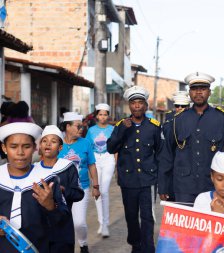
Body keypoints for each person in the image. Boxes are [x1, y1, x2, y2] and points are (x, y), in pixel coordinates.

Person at [158, 71, 224, 204]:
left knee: (209, 224)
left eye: (203, 89)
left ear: (209, 92)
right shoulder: (178, 119)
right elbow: (166, 154)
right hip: (183, 186)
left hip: (212, 186)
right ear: (189, 93)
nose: (198, 92)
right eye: (194, 89)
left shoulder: (222, 119)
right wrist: (163, 185)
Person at [107, 86, 161, 253]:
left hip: (148, 180)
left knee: (147, 217)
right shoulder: (121, 125)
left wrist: (159, 177)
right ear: (129, 106)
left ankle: (148, 248)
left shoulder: (154, 126)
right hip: (128, 180)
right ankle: (136, 245)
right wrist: (122, 130)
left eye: (140, 103)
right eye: (133, 103)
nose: (137, 106)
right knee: (131, 216)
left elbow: (159, 152)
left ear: (145, 105)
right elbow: (110, 148)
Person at [0, 122, 69, 253]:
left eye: (26, 146)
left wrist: (51, 206)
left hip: (39, 247)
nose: (20, 152)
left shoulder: (48, 179)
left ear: (35, 148)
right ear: (4, 148)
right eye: (13, 147)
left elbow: (63, 221)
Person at [35, 125, 84, 253]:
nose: (48, 144)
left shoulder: (68, 167)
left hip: (63, 227)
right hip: (39, 229)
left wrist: (63, 190)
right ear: (40, 145)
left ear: (60, 147)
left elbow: (79, 193)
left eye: (53, 141)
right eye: (44, 141)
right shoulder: (33, 170)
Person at [59, 112, 100, 253]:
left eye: (82, 125)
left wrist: (96, 186)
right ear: (67, 127)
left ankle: (83, 245)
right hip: (60, 191)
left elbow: (92, 165)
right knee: (62, 223)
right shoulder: (57, 144)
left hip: (81, 188)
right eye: (78, 126)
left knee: (79, 222)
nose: (81, 128)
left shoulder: (85, 143)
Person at [85, 103, 116, 238]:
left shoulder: (113, 129)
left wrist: (116, 162)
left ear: (108, 116)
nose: (103, 117)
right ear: (96, 116)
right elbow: (87, 147)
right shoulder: (91, 130)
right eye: (100, 114)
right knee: (97, 190)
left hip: (109, 158)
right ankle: (101, 223)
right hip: (95, 159)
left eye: (105, 114)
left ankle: (105, 224)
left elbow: (116, 146)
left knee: (104, 190)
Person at [162, 91, 191, 201]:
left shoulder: (193, 117)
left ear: (188, 106)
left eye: (183, 106)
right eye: (177, 106)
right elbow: (167, 136)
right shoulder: (170, 116)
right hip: (173, 158)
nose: (179, 108)